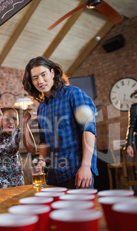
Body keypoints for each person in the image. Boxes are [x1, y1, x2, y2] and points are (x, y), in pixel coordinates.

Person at [22, 56, 98, 189]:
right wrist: (41, 160)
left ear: (52, 73)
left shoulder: (74, 94)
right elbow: (44, 141)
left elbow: (89, 130)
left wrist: (86, 166)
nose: (40, 81)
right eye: (35, 78)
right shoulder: (41, 108)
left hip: (78, 174)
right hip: (53, 177)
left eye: (43, 75)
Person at [0, 103, 24, 189]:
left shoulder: (18, 132)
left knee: (18, 199)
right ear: (1, 122)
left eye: (14, 119)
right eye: (7, 119)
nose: (11, 122)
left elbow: (32, 150)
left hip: (15, 174)